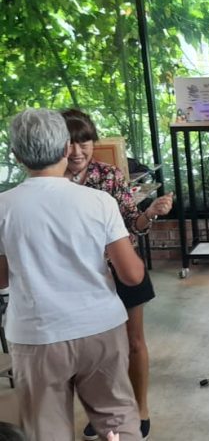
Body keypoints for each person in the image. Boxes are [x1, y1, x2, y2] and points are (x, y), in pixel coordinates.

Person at [0, 108, 145, 440]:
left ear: (16, 155)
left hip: (36, 335)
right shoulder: (99, 202)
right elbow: (132, 275)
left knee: (46, 429)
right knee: (117, 420)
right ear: (66, 147)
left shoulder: (3, 207)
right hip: (100, 328)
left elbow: (1, 279)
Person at [61, 109, 174, 441]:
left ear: (93, 143)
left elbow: (132, 224)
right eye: (70, 143)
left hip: (121, 267)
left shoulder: (109, 175)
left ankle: (141, 409)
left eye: (84, 142)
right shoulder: (52, 180)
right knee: (92, 349)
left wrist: (149, 213)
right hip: (79, 275)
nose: (78, 151)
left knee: (133, 341)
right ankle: (101, 411)